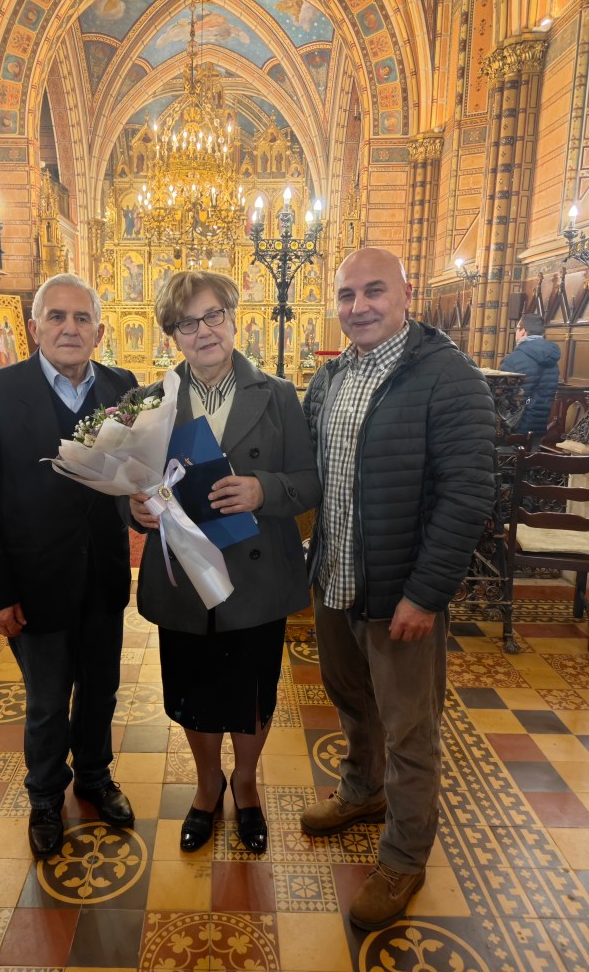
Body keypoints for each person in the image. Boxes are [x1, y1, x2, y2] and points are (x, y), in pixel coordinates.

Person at [301, 247, 496, 930]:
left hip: (400, 592)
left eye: (374, 291)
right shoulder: (330, 378)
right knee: (352, 701)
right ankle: (361, 790)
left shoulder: (449, 378)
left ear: (407, 293)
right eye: (347, 295)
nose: (358, 307)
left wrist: (427, 593)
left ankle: (405, 859)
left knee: (411, 731)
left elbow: (468, 496)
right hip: (335, 580)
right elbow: (310, 475)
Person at [130, 271, 320, 855]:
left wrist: (264, 489)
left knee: (252, 692)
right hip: (184, 576)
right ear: (172, 335)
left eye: (214, 316)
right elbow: (129, 481)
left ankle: (246, 783)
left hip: (254, 575)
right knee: (194, 689)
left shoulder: (278, 394)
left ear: (235, 319)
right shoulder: (153, 399)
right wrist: (133, 509)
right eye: (187, 323)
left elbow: (310, 480)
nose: (204, 331)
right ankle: (208, 784)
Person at [0, 273, 137, 860]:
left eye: (82, 318)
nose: (69, 328)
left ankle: (95, 778)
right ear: (34, 328)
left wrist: (143, 507)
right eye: (56, 316)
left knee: (101, 691)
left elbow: (131, 477)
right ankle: (45, 796)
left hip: (103, 574)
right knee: (47, 700)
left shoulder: (123, 387)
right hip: (34, 583)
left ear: (99, 332)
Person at [500, 313, 561, 447]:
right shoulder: (552, 360)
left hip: (515, 426)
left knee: (508, 458)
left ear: (523, 331)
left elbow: (503, 396)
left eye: (517, 328)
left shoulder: (512, 360)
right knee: (531, 457)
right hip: (540, 423)